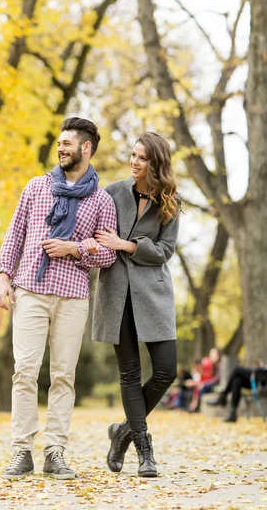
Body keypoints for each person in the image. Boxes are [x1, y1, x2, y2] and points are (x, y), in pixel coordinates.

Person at [0, 117, 117, 481]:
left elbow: (107, 255)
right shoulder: (36, 188)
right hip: (30, 290)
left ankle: (55, 451)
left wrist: (75, 248)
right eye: (59, 143)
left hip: (73, 297)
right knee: (25, 372)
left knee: (63, 376)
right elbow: (13, 236)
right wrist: (3, 280)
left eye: (68, 143)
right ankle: (21, 450)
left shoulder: (102, 200)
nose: (60, 148)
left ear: (86, 148)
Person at [89, 132, 181, 478]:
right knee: (129, 374)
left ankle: (123, 430)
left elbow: (165, 251)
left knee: (166, 370)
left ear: (155, 163)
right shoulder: (112, 192)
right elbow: (98, 237)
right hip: (116, 293)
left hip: (153, 295)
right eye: (133, 155)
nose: (134, 162)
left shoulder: (170, 201)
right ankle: (143, 449)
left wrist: (126, 245)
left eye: (142, 158)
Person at [188, 348, 220, 413]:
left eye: (214, 355)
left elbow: (216, 379)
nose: (212, 357)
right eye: (211, 355)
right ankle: (194, 405)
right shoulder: (210, 365)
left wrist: (202, 383)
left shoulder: (218, 366)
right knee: (196, 388)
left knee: (203, 387)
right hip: (209, 384)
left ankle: (197, 406)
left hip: (214, 385)